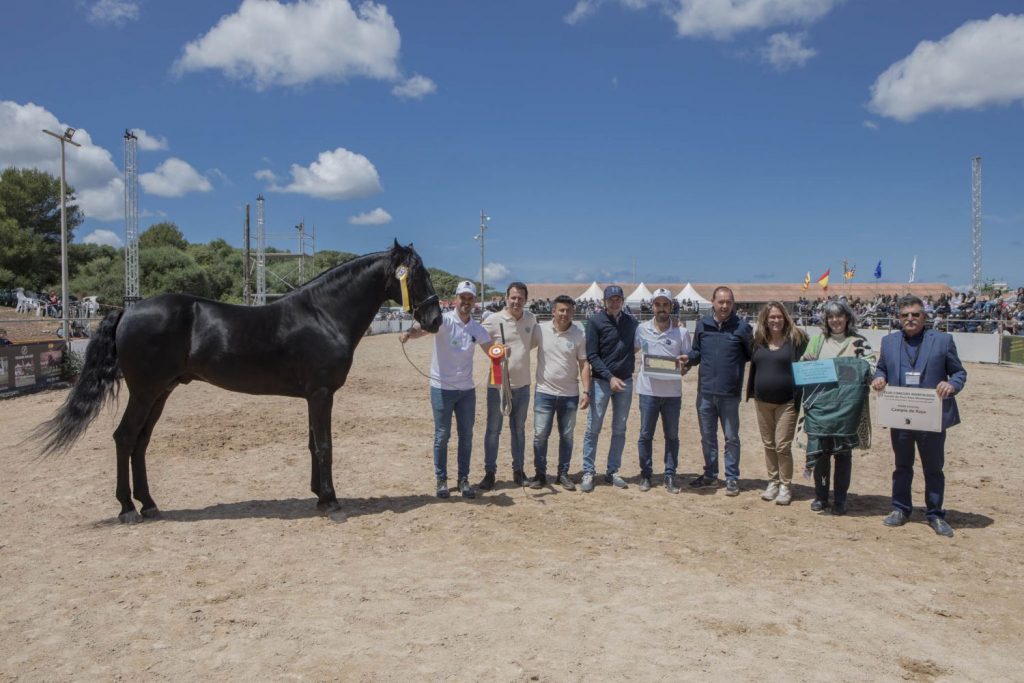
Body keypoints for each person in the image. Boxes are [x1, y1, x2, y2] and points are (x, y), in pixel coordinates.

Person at [872, 295, 966, 537]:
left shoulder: (943, 341)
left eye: (915, 314)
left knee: (933, 468)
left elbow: (958, 373)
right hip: (900, 415)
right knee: (901, 466)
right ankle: (900, 509)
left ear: (924, 316)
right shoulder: (889, 341)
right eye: (905, 315)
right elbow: (881, 367)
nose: (910, 319)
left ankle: (935, 514)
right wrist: (879, 378)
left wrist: (951, 385)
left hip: (930, 416)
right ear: (899, 318)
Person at [400, 280, 492, 500]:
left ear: (474, 302)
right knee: (442, 436)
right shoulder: (444, 321)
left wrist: (500, 352)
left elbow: (490, 348)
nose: (466, 302)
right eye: (463, 297)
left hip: (467, 391)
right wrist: (408, 334)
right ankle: (441, 480)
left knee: (466, 437)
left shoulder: (476, 328)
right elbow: (421, 329)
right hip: (441, 389)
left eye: (470, 298)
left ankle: (463, 480)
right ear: (455, 299)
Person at [800, 300, 875, 516]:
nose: (835, 320)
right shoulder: (816, 341)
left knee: (843, 455)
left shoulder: (859, 342)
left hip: (847, 409)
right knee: (822, 454)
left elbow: (870, 367)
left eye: (839, 316)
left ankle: (840, 499)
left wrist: (839, 371)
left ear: (848, 318)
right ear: (826, 320)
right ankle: (821, 496)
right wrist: (809, 363)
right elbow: (805, 366)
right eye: (830, 317)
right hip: (821, 407)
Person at [684, 286, 752, 496]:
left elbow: (751, 355)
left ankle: (732, 478)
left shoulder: (742, 328)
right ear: (712, 301)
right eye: (721, 302)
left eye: (728, 302)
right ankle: (711, 475)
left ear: (733, 304)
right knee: (708, 437)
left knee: (731, 438)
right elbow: (697, 353)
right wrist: (687, 360)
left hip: (730, 394)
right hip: (705, 392)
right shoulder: (702, 325)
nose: (724, 306)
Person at [478, 282, 542, 490]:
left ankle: (519, 470)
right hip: (497, 384)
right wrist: (493, 351)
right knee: (493, 430)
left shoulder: (531, 319)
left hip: (522, 384)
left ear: (526, 300)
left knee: (518, 430)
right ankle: (489, 472)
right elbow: (479, 338)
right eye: (513, 297)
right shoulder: (493, 320)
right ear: (506, 298)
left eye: (520, 298)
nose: (516, 301)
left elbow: (532, 343)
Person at [745, 302, 808, 506]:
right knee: (768, 444)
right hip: (762, 401)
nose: (775, 320)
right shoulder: (758, 341)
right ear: (765, 319)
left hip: (787, 402)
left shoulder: (796, 339)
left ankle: (785, 485)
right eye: (772, 317)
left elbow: (811, 358)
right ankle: (772, 481)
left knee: (782, 445)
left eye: (779, 317)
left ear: (785, 318)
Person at [580, 285, 639, 492]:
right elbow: (592, 356)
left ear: (622, 301)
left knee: (620, 429)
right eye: (610, 299)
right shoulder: (595, 321)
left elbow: (638, 346)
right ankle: (588, 471)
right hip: (601, 382)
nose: (614, 303)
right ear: (604, 302)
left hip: (626, 382)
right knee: (593, 428)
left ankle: (613, 470)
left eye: (618, 299)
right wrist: (609, 376)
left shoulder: (632, 322)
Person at [634, 288, 692, 493]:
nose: (661, 308)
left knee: (672, 436)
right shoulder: (641, 329)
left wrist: (682, 368)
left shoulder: (682, 332)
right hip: (647, 391)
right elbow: (631, 350)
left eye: (665, 304)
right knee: (645, 435)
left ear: (671, 306)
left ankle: (669, 475)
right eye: (658, 304)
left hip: (672, 394)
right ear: (652, 306)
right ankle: (646, 475)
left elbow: (687, 361)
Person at [530, 294, 590, 490]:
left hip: (569, 394)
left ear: (573, 312)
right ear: (553, 311)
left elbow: (583, 364)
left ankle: (563, 474)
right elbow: (522, 346)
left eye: (568, 310)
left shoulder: (579, 334)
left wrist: (586, 391)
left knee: (567, 436)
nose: (565, 314)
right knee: (540, 436)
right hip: (544, 393)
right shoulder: (540, 330)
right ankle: (540, 475)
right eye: (561, 310)